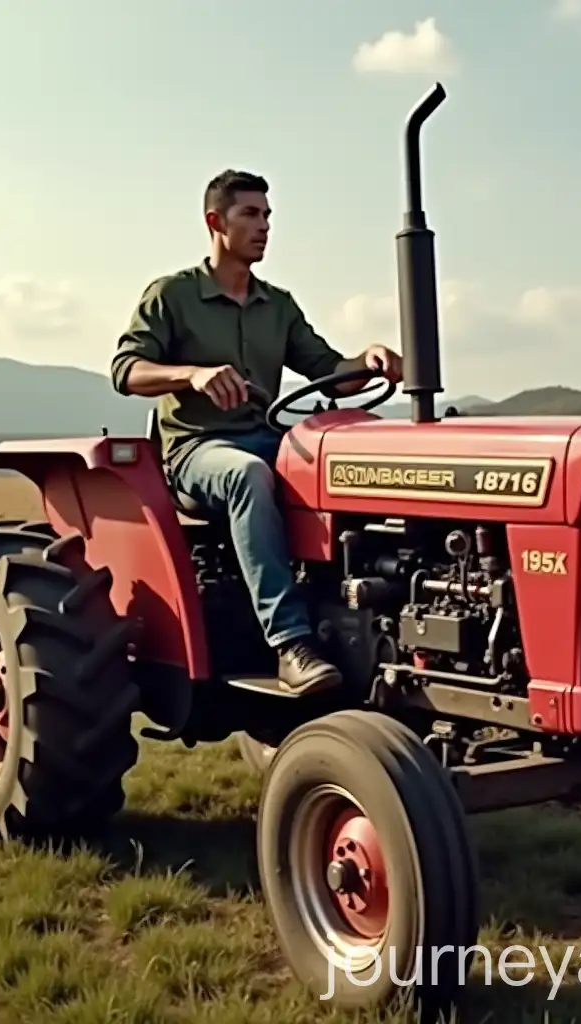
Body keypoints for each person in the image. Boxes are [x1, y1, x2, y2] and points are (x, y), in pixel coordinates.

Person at [110, 169, 403, 694]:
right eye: (250, 214)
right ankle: (291, 642)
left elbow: (331, 372)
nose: (264, 226)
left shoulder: (278, 305)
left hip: (272, 440)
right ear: (215, 222)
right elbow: (126, 371)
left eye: (267, 215)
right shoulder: (173, 295)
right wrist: (192, 375)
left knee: (359, 462)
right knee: (246, 474)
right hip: (199, 450)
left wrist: (369, 359)